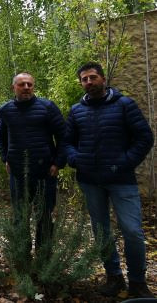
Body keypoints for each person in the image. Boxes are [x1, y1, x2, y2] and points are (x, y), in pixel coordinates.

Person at [66, 62, 154, 298]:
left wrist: (125, 162)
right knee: (101, 230)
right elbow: (67, 142)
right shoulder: (76, 111)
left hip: (121, 179)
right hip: (90, 180)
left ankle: (137, 282)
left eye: (93, 77)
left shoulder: (125, 105)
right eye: (84, 79)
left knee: (132, 231)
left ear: (103, 79)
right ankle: (114, 276)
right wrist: (76, 159)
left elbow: (144, 137)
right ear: (81, 83)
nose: (89, 82)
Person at [0, 72, 65, 249]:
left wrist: (58, 163)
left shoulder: (48, 107)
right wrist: (6, 158)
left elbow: (63, 136)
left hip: (45, 173)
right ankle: (22, 258)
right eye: (22, 84)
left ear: (33, 86)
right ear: (14, 87)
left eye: (29, 84)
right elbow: (1, 137)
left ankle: (44, 259)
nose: (26, 87)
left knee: (44, 215)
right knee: (20, 215)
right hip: (18, 173)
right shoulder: (5, 110)